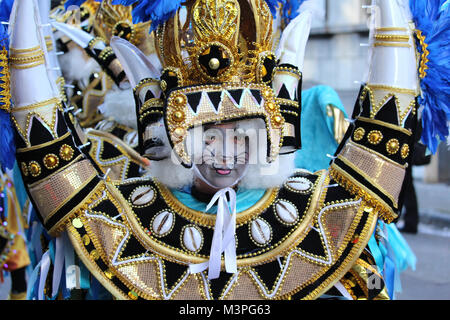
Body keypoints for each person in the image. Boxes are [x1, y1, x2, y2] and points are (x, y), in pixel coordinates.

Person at [1, 0, 448, 300]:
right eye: (207, 135)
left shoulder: (314, 210)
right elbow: (67, 201)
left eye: (240, 135)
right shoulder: (122, 218)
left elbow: (369, 184)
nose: (225, 152)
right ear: (176, 140)